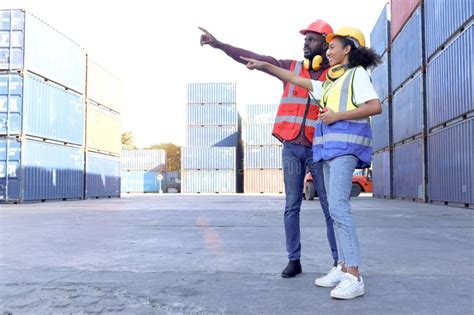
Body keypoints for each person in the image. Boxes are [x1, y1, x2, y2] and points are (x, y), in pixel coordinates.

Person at [241, 26, 382, 300]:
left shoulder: (357, 74)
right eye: (327, 47)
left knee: (339, 209)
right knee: (337, 211)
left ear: (348, 49)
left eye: (333, 47)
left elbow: (375, 106)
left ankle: (353, 274)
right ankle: (342, 267)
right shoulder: (329, 80)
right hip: (328, 151)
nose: (328, 51)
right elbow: (294, 77)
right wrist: (263, 66)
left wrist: (337, 115)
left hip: (345, 148)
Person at [199, 21, 339, 278]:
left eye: (312, 39)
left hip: (319, 150)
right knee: (291, 206)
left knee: (330, 208)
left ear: (326, 43)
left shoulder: (336, 74)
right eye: (305, 39)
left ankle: (338, 262)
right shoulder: (290, 67)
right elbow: (255, 58)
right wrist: (219, 45)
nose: (305, 44)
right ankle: (294, 260)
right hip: (292, 147)